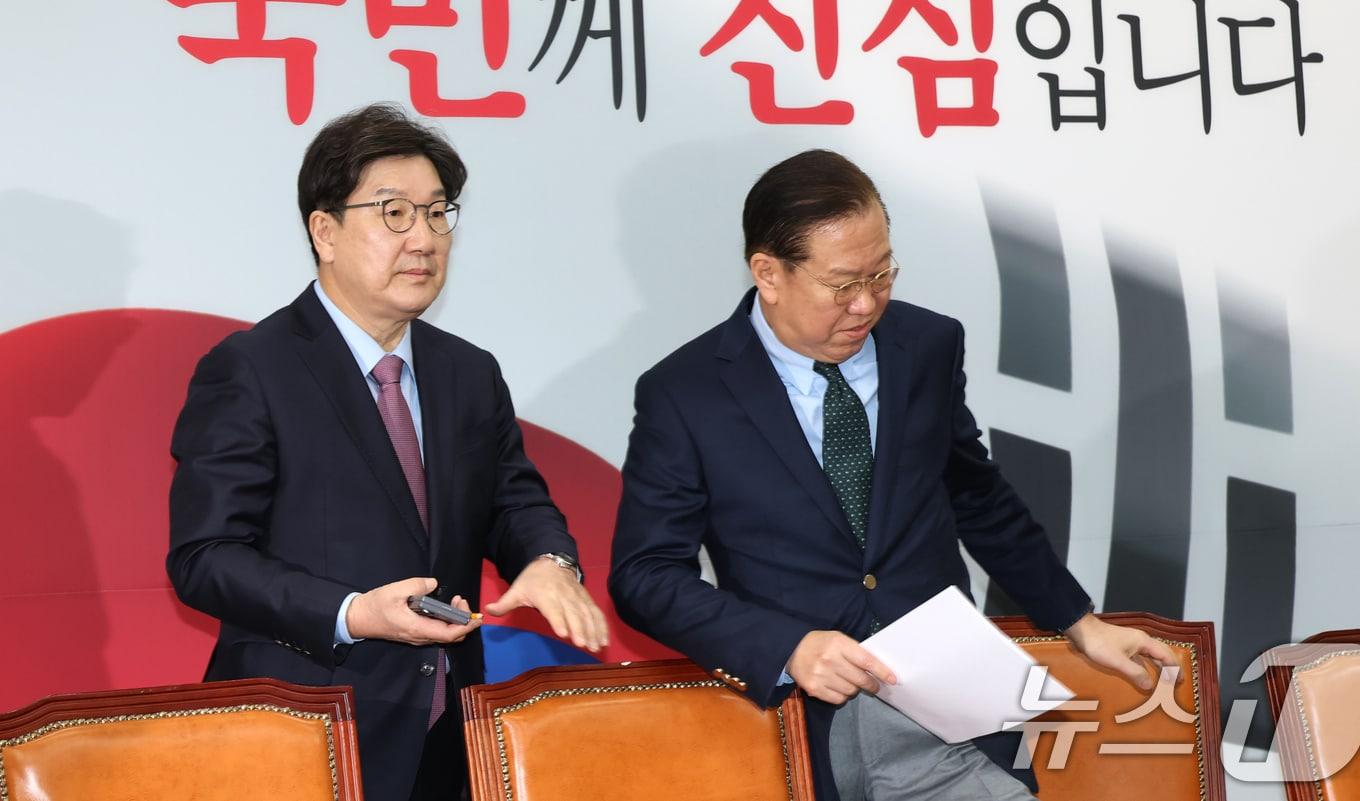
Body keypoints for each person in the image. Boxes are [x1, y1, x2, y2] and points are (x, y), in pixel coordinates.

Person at [608, 149, 1175, 801]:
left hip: (950, 717)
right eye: (842, 284)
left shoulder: (927, 345)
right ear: (768, 273)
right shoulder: (687, 393)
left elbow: (976, 497)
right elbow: (646, 574)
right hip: (800, 726)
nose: (866, 304)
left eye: (882, 274)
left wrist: (1078, 620)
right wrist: (787, 647)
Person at [168, 103, 608, 801]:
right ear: (325, 231)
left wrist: (549, 561)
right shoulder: (252, 367)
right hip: (301, 733)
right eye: (394, 213)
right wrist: (353, 612)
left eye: (437, 213)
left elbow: (513, 502)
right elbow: (206, 556)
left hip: (446, 734)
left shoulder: (468, 371)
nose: (424, 238)